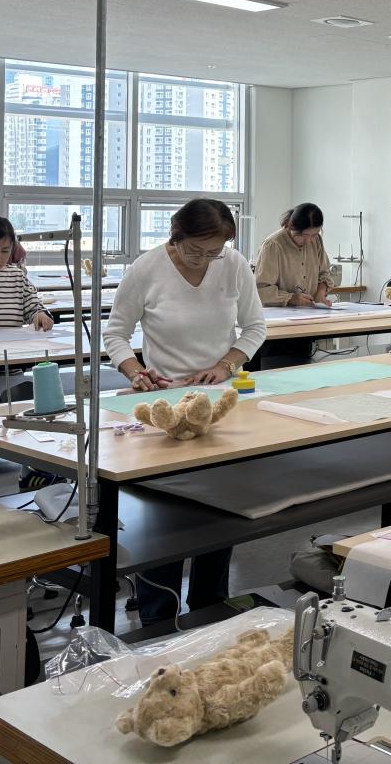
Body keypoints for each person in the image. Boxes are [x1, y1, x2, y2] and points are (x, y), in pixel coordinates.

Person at [104, 198, 267, 624]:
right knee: (163, 516)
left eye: (215, 251)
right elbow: (116, 333)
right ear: (176, 235)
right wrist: (135, 371)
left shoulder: (232, 264)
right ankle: (158, 615)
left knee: (221, 509)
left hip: (219, 403)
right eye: (197, 250)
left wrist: (226, 364)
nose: (206, 259)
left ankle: (210, 607)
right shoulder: (146, 269)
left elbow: (255, 326)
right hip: (165, 405)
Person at [253, 203, 333, 367]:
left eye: (314, 235)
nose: (308, 240)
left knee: (304, 366)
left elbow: (324, 273)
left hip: (305, 322)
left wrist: (320, 292)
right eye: (303, 236)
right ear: (290, 227)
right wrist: (292, 298)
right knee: (276, 368)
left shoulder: (316, 241)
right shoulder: (273, 245)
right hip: (277, 327)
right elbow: (260, 290)